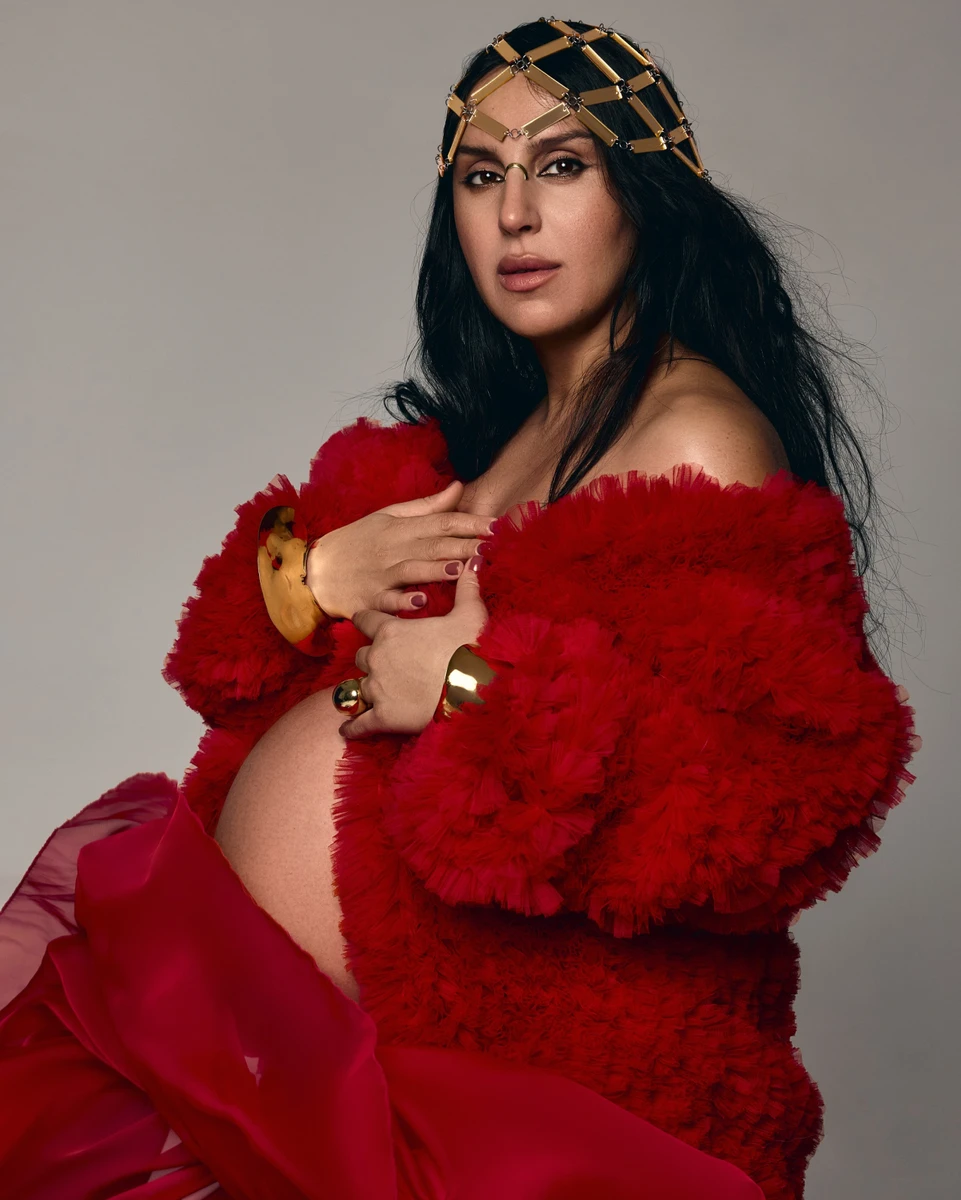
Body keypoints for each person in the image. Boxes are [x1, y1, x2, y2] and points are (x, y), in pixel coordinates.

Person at [0, 16, 917, 1200]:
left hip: (514, 1110)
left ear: (647, 193)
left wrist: (472, 687)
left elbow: (771, 793)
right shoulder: (487, 441)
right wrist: (309, 581)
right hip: (301, 1065)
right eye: (481, 176)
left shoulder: (694, 431)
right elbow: (233, 671)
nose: (515, 214)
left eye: (561, 164)